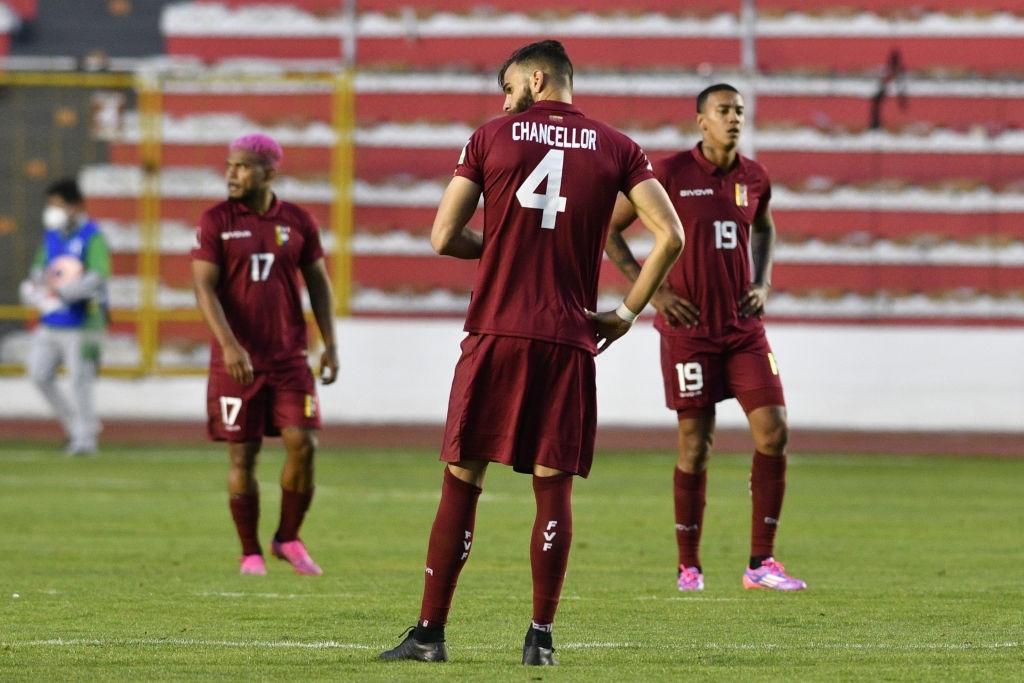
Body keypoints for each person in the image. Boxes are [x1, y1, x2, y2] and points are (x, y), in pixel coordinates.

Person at [380, 40, 684, 666]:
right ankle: (539, 640)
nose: (504, 98)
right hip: (568, 338)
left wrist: (498, 250)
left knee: (462, 480)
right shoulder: (620, 147)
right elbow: (671, 235)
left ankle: (430, 635)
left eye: (509, 85)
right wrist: (626, 315)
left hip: (496, 331)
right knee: (553, 490)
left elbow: (442, 237)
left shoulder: (490, 136)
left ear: (536, 78)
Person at [605, 83, 806, 592]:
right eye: (723, 110)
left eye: (739, 110)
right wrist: (653, 293)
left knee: (775, 431)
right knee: (696, 445)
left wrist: (762, 281)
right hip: (688, 332)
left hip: (743, 330)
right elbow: (610, 231)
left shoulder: (754, 177)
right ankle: (687, 565)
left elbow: (764, 227)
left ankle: (761, 563)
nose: (734, 118)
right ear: (701, 120)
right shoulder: (669, 174)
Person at [190, 134, 339, 577]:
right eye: (229, 165)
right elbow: (203, 287)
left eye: (242, 166)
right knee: (244, 456)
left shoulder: (297, 221)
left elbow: (318, 283)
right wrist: (230, 345)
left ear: (269, 172)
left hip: (289, 357)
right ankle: (249, 551)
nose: (231, 173)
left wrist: (330, 342)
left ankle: (287, 537)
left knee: (304, 444)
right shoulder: (215, 220)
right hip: (237, 361)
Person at [19, 177, 111, 456]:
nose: (52, 211)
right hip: (51, 321)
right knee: (38, 374)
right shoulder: (51, 236)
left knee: (79, 381)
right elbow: (38, 271)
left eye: (57, 205)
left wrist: (65, 293)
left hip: (83, 321)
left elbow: (98, 276)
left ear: (74, 206)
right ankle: (79, 426)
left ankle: (85, 440)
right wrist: (33, 290)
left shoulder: (92, 235)